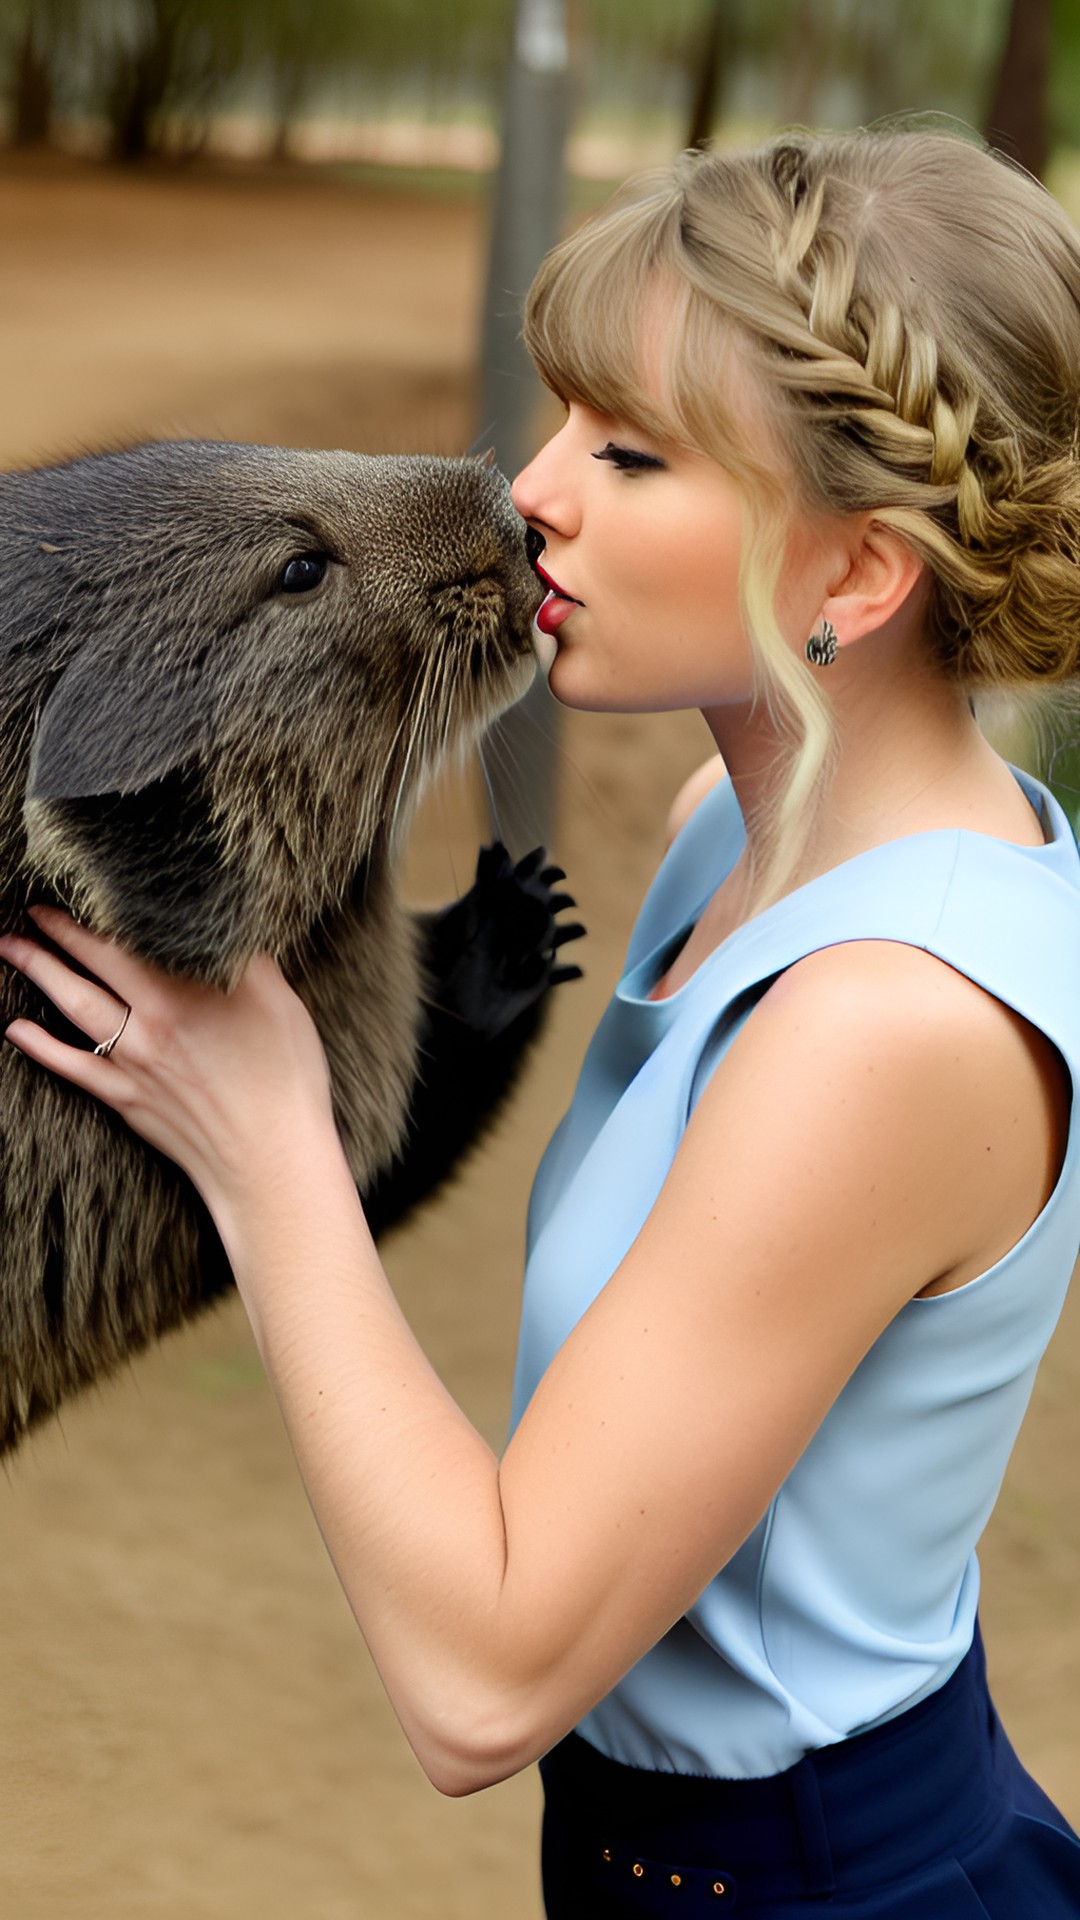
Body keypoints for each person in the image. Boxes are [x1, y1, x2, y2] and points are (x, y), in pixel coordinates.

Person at [4, 126, 1080, 1917]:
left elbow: (481, 1675)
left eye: (632, 456)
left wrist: (273, 1145)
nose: (533, 492)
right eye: (564, 418)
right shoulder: (735, 835)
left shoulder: (889, 1023)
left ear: (859, 576)